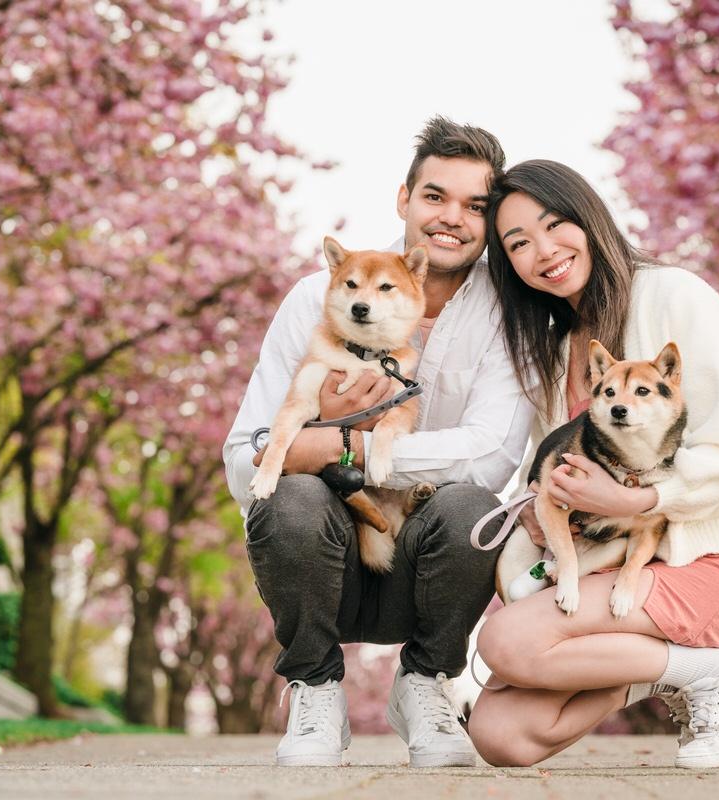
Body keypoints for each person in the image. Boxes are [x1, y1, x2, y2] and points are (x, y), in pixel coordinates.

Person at [223, 118, 534, 768]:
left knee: (477, 507)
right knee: (290, 495)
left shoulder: (507, 320)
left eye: (476, 206)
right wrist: (308, 441)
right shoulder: (317, 298)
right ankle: (314, 688)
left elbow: (491, 456)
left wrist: (343, 447)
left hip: (423, 567)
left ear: (493, 219)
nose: (451, 217)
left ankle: (425, 681)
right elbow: (243, 457)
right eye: (434, 196)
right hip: (320, 561)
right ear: (404, 198)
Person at [466, 160, 719, 769]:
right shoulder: (559, 350)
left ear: (589, 217)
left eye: (555, 225)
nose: (544, 251)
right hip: (609, 568)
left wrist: (637, 501)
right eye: (519, 244)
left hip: (707, 558)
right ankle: (656, 670)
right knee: (502, 735)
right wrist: (540, 505)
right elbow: (557, 469)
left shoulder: (675, 296)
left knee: (505, 640)